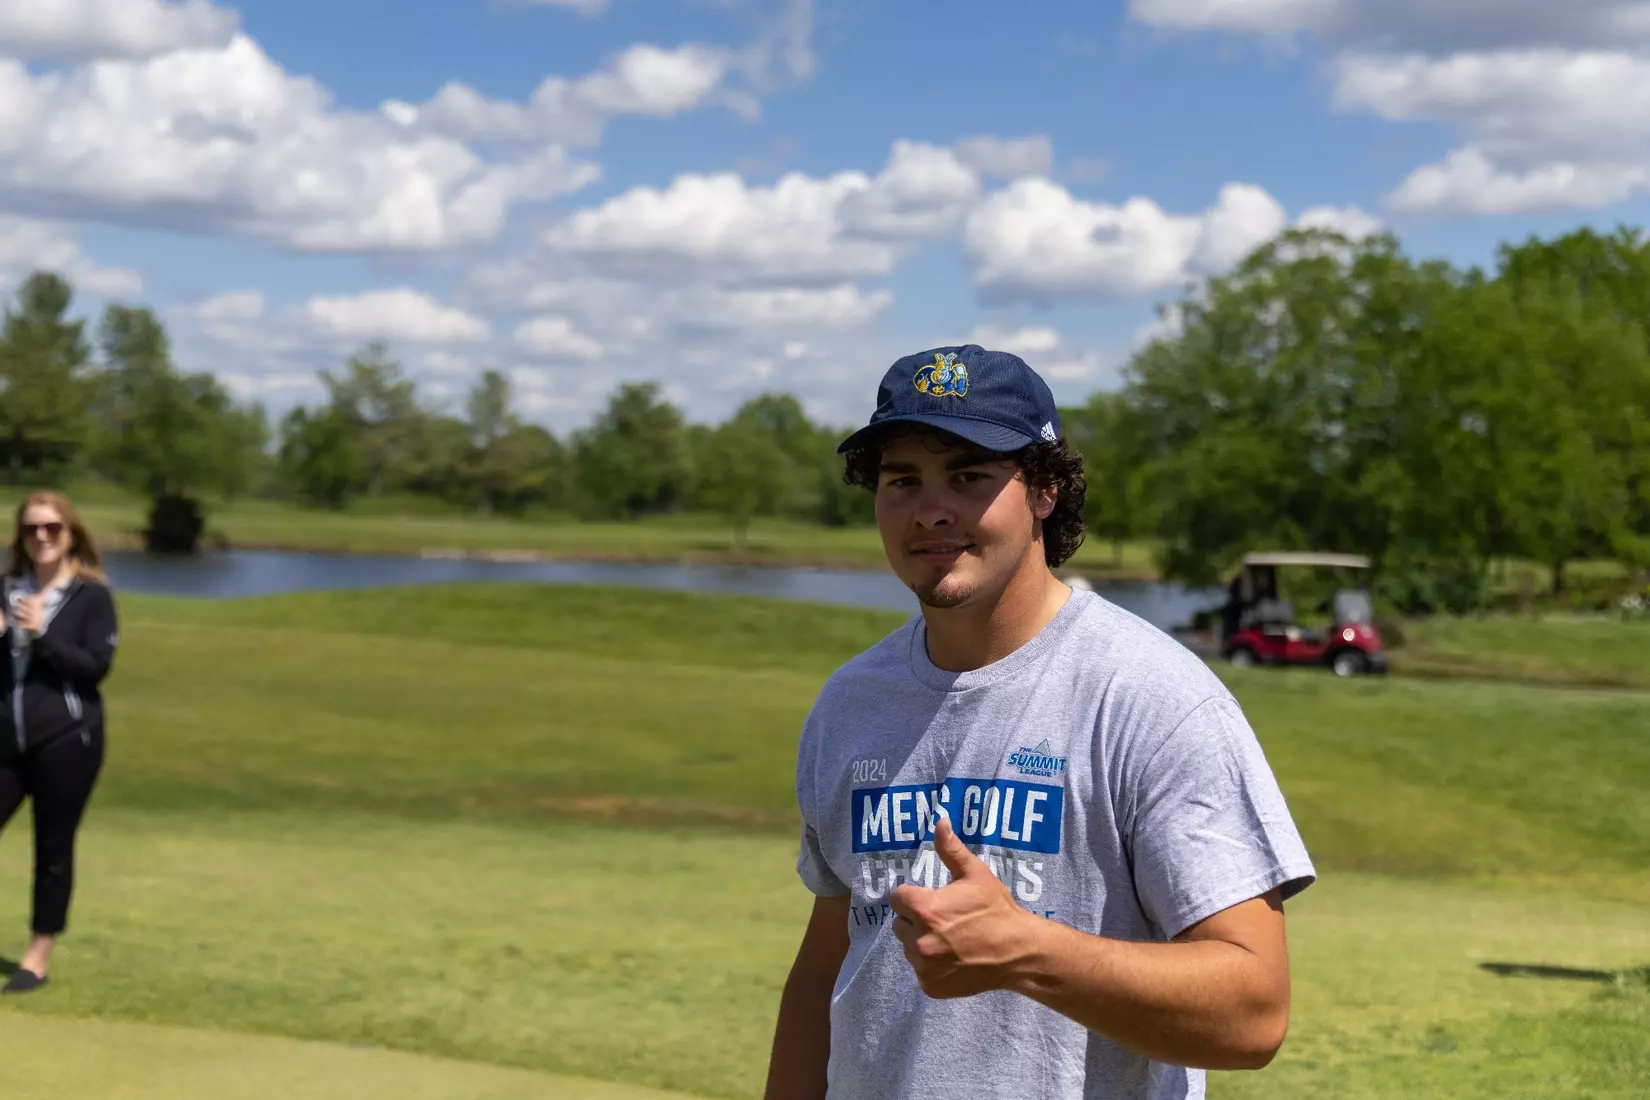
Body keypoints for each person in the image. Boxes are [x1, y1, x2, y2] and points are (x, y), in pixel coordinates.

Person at [762, 346, 1315, 1099]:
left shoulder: (1152, 696)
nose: (930, 510)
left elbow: (1254, 1013)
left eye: (969, 476)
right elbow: (831, 962)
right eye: (903, 481)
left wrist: (1026, 950)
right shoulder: (850, 703)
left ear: (1046, 490)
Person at [0, 491, 119, 994]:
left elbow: (95, 668)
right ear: (21, 538)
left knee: (52, 848)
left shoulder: (92, 597)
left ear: (71, 533)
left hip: (68, 740)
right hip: (6, 739)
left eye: (52, 528)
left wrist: (41, 633)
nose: (42, 537)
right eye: (32, 529)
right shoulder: (7, 587)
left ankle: (37, 958)